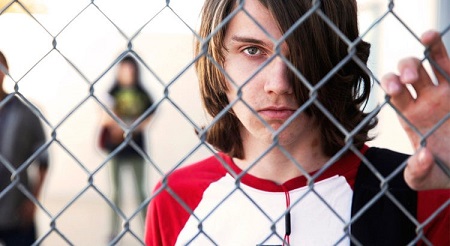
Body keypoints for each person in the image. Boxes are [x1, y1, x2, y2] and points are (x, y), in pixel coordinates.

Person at [145, 0, 449, 245]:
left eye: (303, 54)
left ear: (339, 60)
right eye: (252, 50)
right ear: (216, 62)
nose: (279, 83)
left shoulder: (417, 191)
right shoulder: (177, 198)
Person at [99, 54, 155, 239]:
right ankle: (113, 233)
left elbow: (150, 115)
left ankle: (149, 231)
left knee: (140, 191)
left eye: (131, 69)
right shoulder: (112, 92)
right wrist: (114, 124)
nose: (128, 73)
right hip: (114, 148)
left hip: (137, 148)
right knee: (115, 193)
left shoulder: (142, 93)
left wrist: (133, 127)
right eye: (124, 69)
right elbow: (103, 117)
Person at [0, 51, 49, 245]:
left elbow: (44, 161)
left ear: (6, 72)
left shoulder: (25, 112)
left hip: (16, 208)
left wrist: (33, 201)